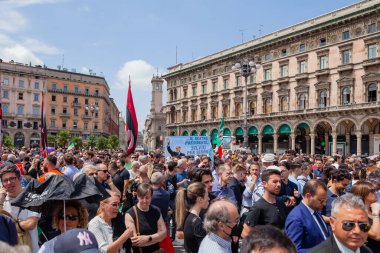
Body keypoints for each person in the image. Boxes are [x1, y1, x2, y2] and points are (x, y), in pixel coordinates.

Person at [309, 193, 373, 253]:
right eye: (349, 224)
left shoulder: (367, 251)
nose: (357, 231)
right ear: (332, 223)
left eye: (363, 225)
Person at [0, 165, 41, 253]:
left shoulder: (33, 197)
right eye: (5, 180)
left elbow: (30, 223)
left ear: (20, 178)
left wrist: (5, 228)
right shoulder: (2, 200)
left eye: (12, 178)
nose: (9, 182)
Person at [285, 180, 329, 253]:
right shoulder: (296, 218)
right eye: (321, 200)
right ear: (308, 196)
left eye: (325, 200)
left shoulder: (315, 210)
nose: (324, 204)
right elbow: (294, 250)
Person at [242, 169, 287, 238]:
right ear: (264, 184)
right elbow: (245, 233)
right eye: (275, 182)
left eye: (279, 182)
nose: (278, 185)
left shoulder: (280, 203)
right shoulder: (258, 207)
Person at [125, 183, 167, 253]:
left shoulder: (156, 210)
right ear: (137, 197)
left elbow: (164, 234)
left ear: (151, 197)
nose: (145, 201)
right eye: (142, 198)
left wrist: (148, 238)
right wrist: (157, 238)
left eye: (147, 197)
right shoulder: (130, 214)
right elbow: (135, 242)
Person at [176, 182, 209, 253]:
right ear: (200, 199)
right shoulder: (196, 222)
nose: (208, 198)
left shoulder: (188, 216)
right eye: (207, 195)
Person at [350, 180, 380, 252]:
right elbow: (376, 236)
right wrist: (375, 213)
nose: (376, 193)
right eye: (372, 191)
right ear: (362, 194)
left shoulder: (373, 209)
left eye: (376, 190)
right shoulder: (357, 215)